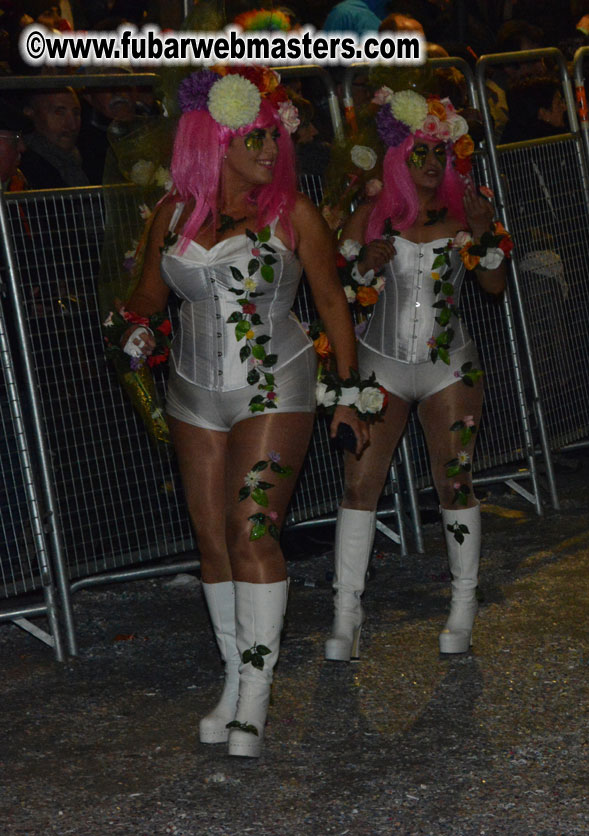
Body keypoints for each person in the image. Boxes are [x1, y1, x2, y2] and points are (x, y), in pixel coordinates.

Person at [115, 67, 368, 758]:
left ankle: (257, 695)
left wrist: (346, 393)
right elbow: (144, 297)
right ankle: (233, 681)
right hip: (193, 394)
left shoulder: (293, 215)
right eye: (254, 137)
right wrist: (133, 329)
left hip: (274, 385)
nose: (269, 149)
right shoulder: (171, 213)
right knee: (212, 540)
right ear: (215, 141)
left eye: (271, 137)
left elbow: (332, 303)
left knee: (251, 529)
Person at [326, 89, 507, 660]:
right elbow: (346, 296)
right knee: (360, 486)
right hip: (380, 364)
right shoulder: (372, 213)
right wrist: (363, 266)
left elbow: (495, 288)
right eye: (419, 153)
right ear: (398, 157)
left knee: (454, 479)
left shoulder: (466, 211)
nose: (431, 164)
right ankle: (346, 617)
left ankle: (462, 606)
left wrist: (482, 236)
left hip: (449, 365)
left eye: (440, 154)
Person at [21, 88, 88, 189]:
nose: (72, 125)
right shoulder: (24, 166)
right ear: (30, 113)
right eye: (59, 113)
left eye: (76, 113)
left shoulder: (89, 154)